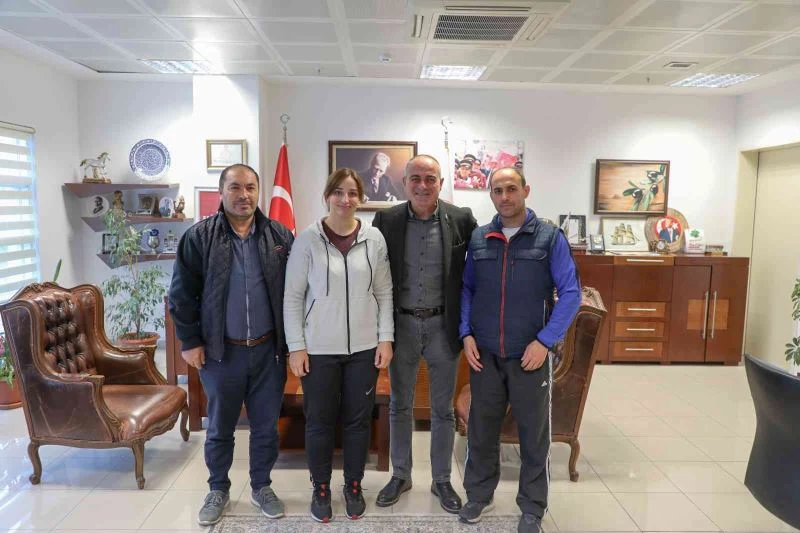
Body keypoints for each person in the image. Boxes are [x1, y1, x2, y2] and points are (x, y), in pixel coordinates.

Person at [168, 164, 294, 527]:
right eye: (235, 187)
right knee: (220, 428)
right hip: (221, 353)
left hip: (269, 351)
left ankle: (261, 486)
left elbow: (295, 293)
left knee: (266, 427)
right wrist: (190, 342)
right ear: (222, 192)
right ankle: (218, 489)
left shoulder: (279, 236)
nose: (244, 195)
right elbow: (181, 295)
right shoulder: (199, 237)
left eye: (250, 187)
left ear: (258, 192)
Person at [459, 167, 581, 533]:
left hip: (530, 355)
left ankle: (532, 507)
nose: (505, 196)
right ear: (491, 195)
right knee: (481, 430)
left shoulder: (549, 238)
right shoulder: (479, 238)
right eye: (497, 190)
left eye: (511, 188)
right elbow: (467, 289)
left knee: (533, 435)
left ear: (525, 190)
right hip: (484, 354)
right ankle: (479, 495)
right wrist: (466, 333)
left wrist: (545, 341)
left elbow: (570, 294)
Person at [283, 168, 394, 523]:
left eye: (352, 193)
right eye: (339, 192)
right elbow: (293, 297)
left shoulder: (374, 239)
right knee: (319, 420)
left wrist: (385, 338)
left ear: (360, 198)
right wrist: (296, 346)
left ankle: (354, 485)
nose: (346, 200)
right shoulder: (307, 240)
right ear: (327, 195)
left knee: (358, 421)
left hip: (364, 348)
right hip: (318, 349)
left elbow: (384, 292)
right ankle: (320, 487)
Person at [372, 155, 477, 513]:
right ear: (404, 183)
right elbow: (375, 276)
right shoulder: (386, 220)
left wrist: (469, 328)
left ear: (440, 183)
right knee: (400, 405)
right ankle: (401, 475)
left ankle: (442, 480)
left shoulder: (461, 219)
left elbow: (474, 275)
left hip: (442, 327)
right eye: (415, 178)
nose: (422, 185)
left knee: (442, 410)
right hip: (400, 326)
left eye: (430, 178)